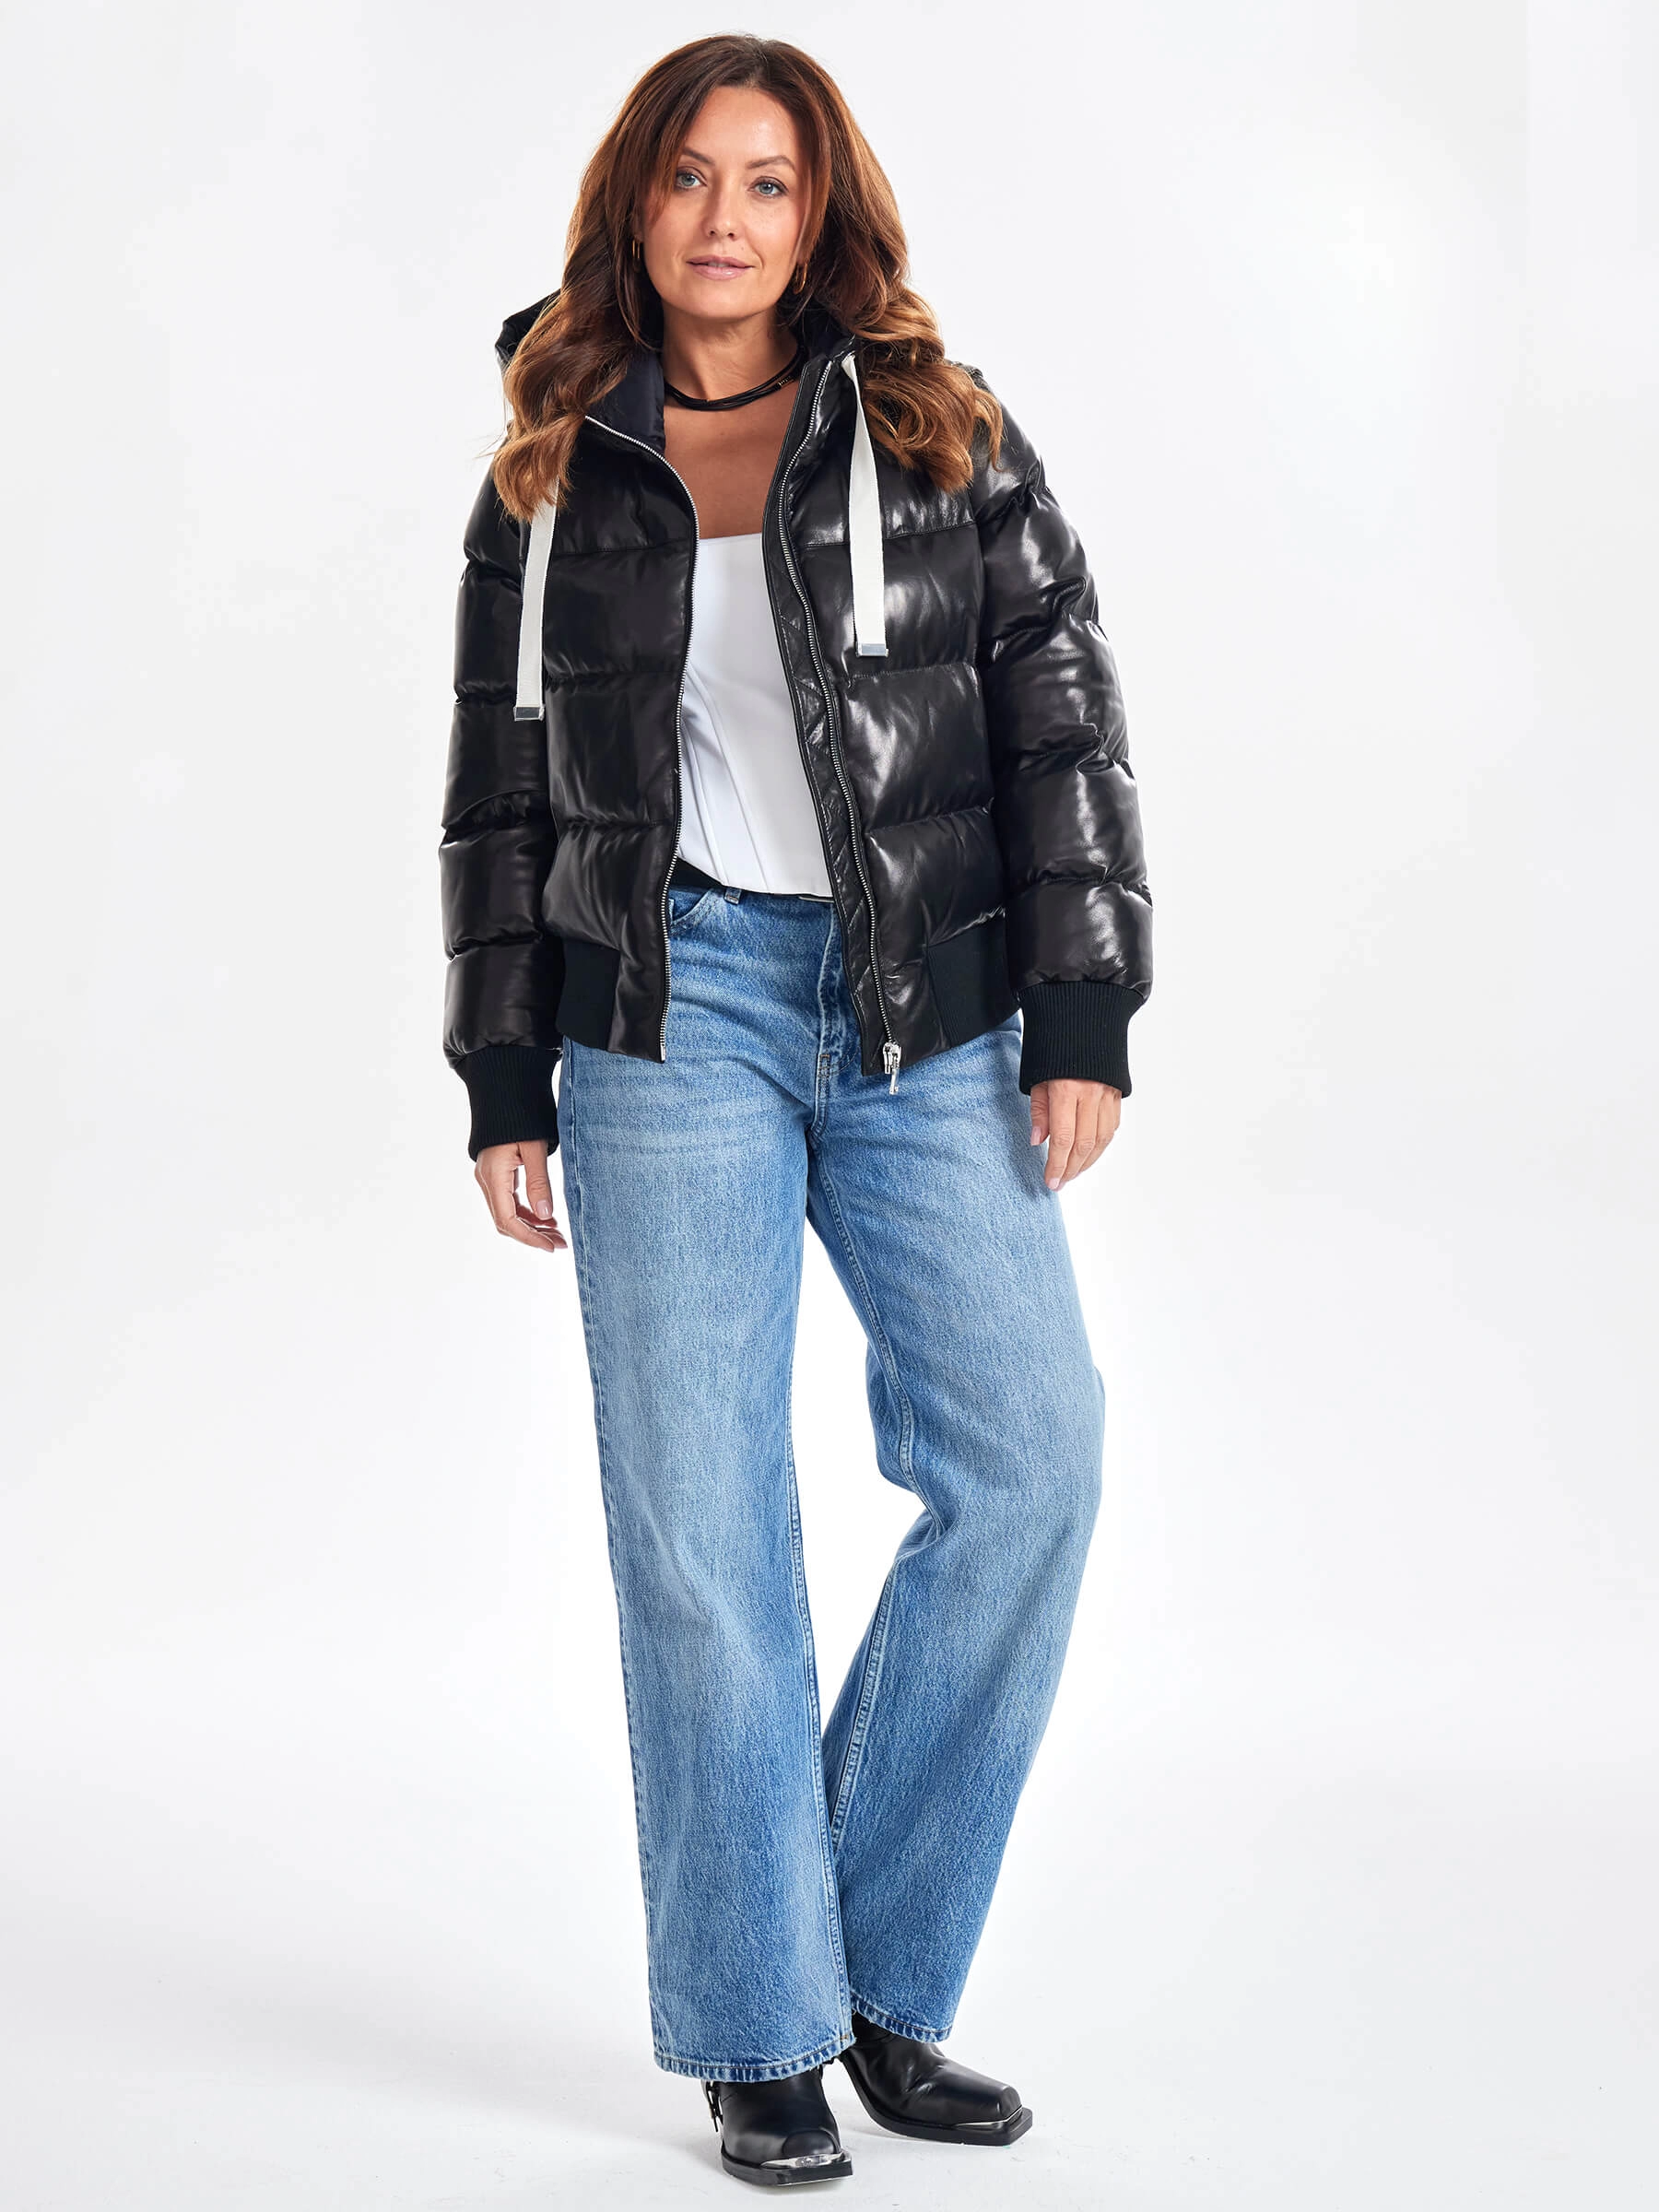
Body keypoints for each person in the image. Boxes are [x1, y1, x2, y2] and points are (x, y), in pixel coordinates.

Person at [438, 33, 1152, 2189]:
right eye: (690, 177)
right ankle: (760, 2028)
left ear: (819, 212)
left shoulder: (940, 431)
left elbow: (1058, 705)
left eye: (767, 181)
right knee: (700, 1525)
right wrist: (504, 1065)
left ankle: (874, 1977)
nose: (726, 218)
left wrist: (1082, 1004)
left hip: (924, 1011)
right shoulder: (555, 468)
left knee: (1031, 1459)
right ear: (633, 205)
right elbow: (498, 788)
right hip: (666, 1015)